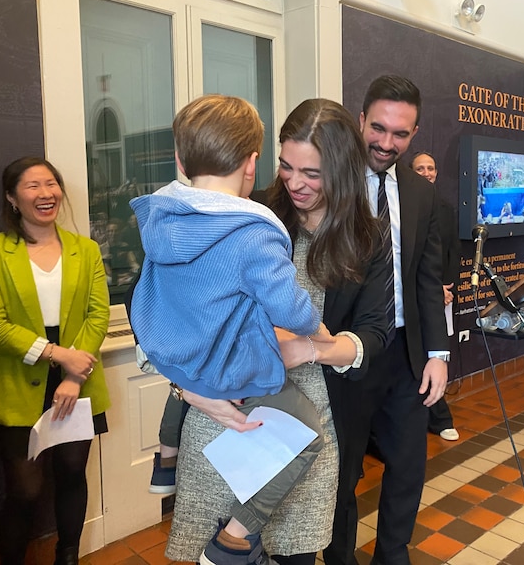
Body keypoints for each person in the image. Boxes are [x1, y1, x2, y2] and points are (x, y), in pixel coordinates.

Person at [163, 98, 388, 565]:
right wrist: (190, 390)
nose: (294, 182)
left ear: (343, 171)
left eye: (312, 173)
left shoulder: (367, 238)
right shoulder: (246, 212)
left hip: (309, 434)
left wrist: (306, 349)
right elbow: (168, 311)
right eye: (286, 166)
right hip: (225, 420)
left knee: (294, 555)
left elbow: (374, 335)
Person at [128, 95, 336, 565]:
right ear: (251, 163)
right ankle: (235, 539)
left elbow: (148, 293)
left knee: (187, 375)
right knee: (307, 437)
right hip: (234, 370)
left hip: (178, 357)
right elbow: (291, 310)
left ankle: (165, 460)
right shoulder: (251, 233)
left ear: (180, 161)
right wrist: (316, 327)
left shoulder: (162, 220)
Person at [323, 75, 449, 565]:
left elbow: (426, 277)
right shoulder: (330, 181)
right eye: (378, 128)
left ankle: (393, 554)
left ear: (414, 133)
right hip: (344, 353)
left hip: (405, 353)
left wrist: (437, 354)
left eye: (400, 134)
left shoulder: (421, 193)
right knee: (342, 471)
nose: (386, 143)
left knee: (409, 466)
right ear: (360, 120)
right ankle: (340, 558)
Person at [0, 157, 110, 565]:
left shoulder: (85, 249)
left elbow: (97, 314)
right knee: (24, 490)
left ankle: (68, 557)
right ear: (12, 198)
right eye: (33, 186)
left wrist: (74, 375)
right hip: (17, 382)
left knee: (72, 475)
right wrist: (58, 354)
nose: (46, 193)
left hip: (78, 380)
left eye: (51, 183)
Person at [409, 151, 461, 441]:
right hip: (413, 295)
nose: (426, 173)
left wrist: (446, 287)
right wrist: (432, 288)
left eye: (430, 168)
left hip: (442, 295)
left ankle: (440, 418)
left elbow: (452, 250)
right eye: (420, 168)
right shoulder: (401, 206)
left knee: (437, 353)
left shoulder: (444, 208)